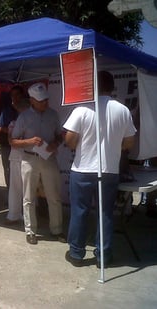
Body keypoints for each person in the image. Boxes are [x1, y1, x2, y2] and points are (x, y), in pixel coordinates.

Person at [63, 71, 136, 268]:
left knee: (80, 211)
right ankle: (103, 255)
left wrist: (84, 145)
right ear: (112, 87)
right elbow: (129, 142)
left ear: (93, 86)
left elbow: (69, 140)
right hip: (109, 169)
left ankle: (77, 254)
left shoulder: (82, 109)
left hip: (82, 169)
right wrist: (112, 147)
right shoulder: (122, 110)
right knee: (105, 213)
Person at [11, 82, 65, 244]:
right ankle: (30, 230)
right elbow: (13, 141)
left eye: (46, 100)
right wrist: (30, 141)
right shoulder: (24, 117)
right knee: (29, 197)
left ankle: (57, 229)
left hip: (49, 159)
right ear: (32, 100)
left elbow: (60, 135)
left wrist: (56, 143)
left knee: (54, 196)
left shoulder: (53, 114)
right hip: (29, 159)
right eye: (41, 100)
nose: (45, 103)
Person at [5, 86, 29, 225]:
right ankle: (14, 214)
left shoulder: (32, 122)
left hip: (30, 157)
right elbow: (12, 141)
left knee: (28, 188)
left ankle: (27, 216)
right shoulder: (14, 123)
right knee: (16, 187)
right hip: (17, 157)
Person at [0, 88, 21, 188]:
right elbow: (0, 128)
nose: (15, 97)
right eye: (12, 95)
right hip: (8, 145)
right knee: (8, 169)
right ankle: (10, 196)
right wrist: (14, 131)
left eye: (17, 95)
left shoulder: (28, 110)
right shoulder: (6, 110)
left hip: (24, 146)